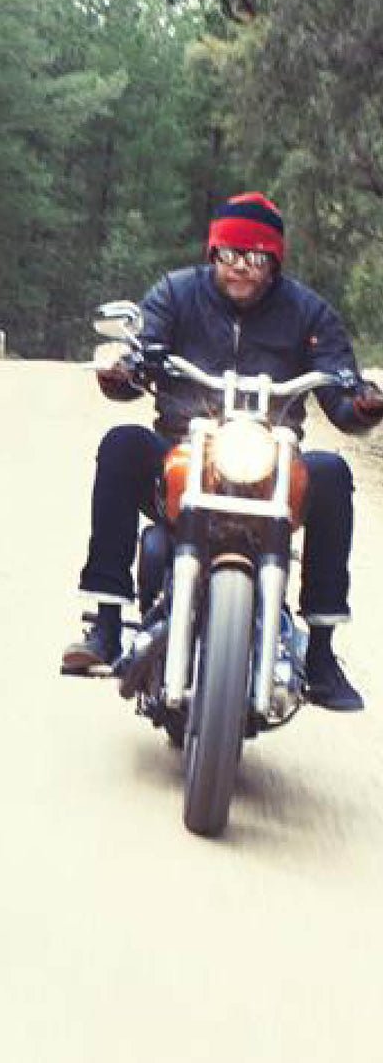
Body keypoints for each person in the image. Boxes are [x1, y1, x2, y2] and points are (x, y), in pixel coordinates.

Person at [61, 191, 383, 711]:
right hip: (182, 447)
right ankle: (105, 622)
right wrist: (126, 369)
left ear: (274, 261)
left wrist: (363, 402)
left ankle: (321, 654)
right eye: (230, 254)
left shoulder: (308, 312)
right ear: (213, 253)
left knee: (331, 474)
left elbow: (341, 397)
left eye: (256, 258)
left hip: (270, 459)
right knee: (121, 445)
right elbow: (137, 357)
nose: (242, 268)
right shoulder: (175, 293)